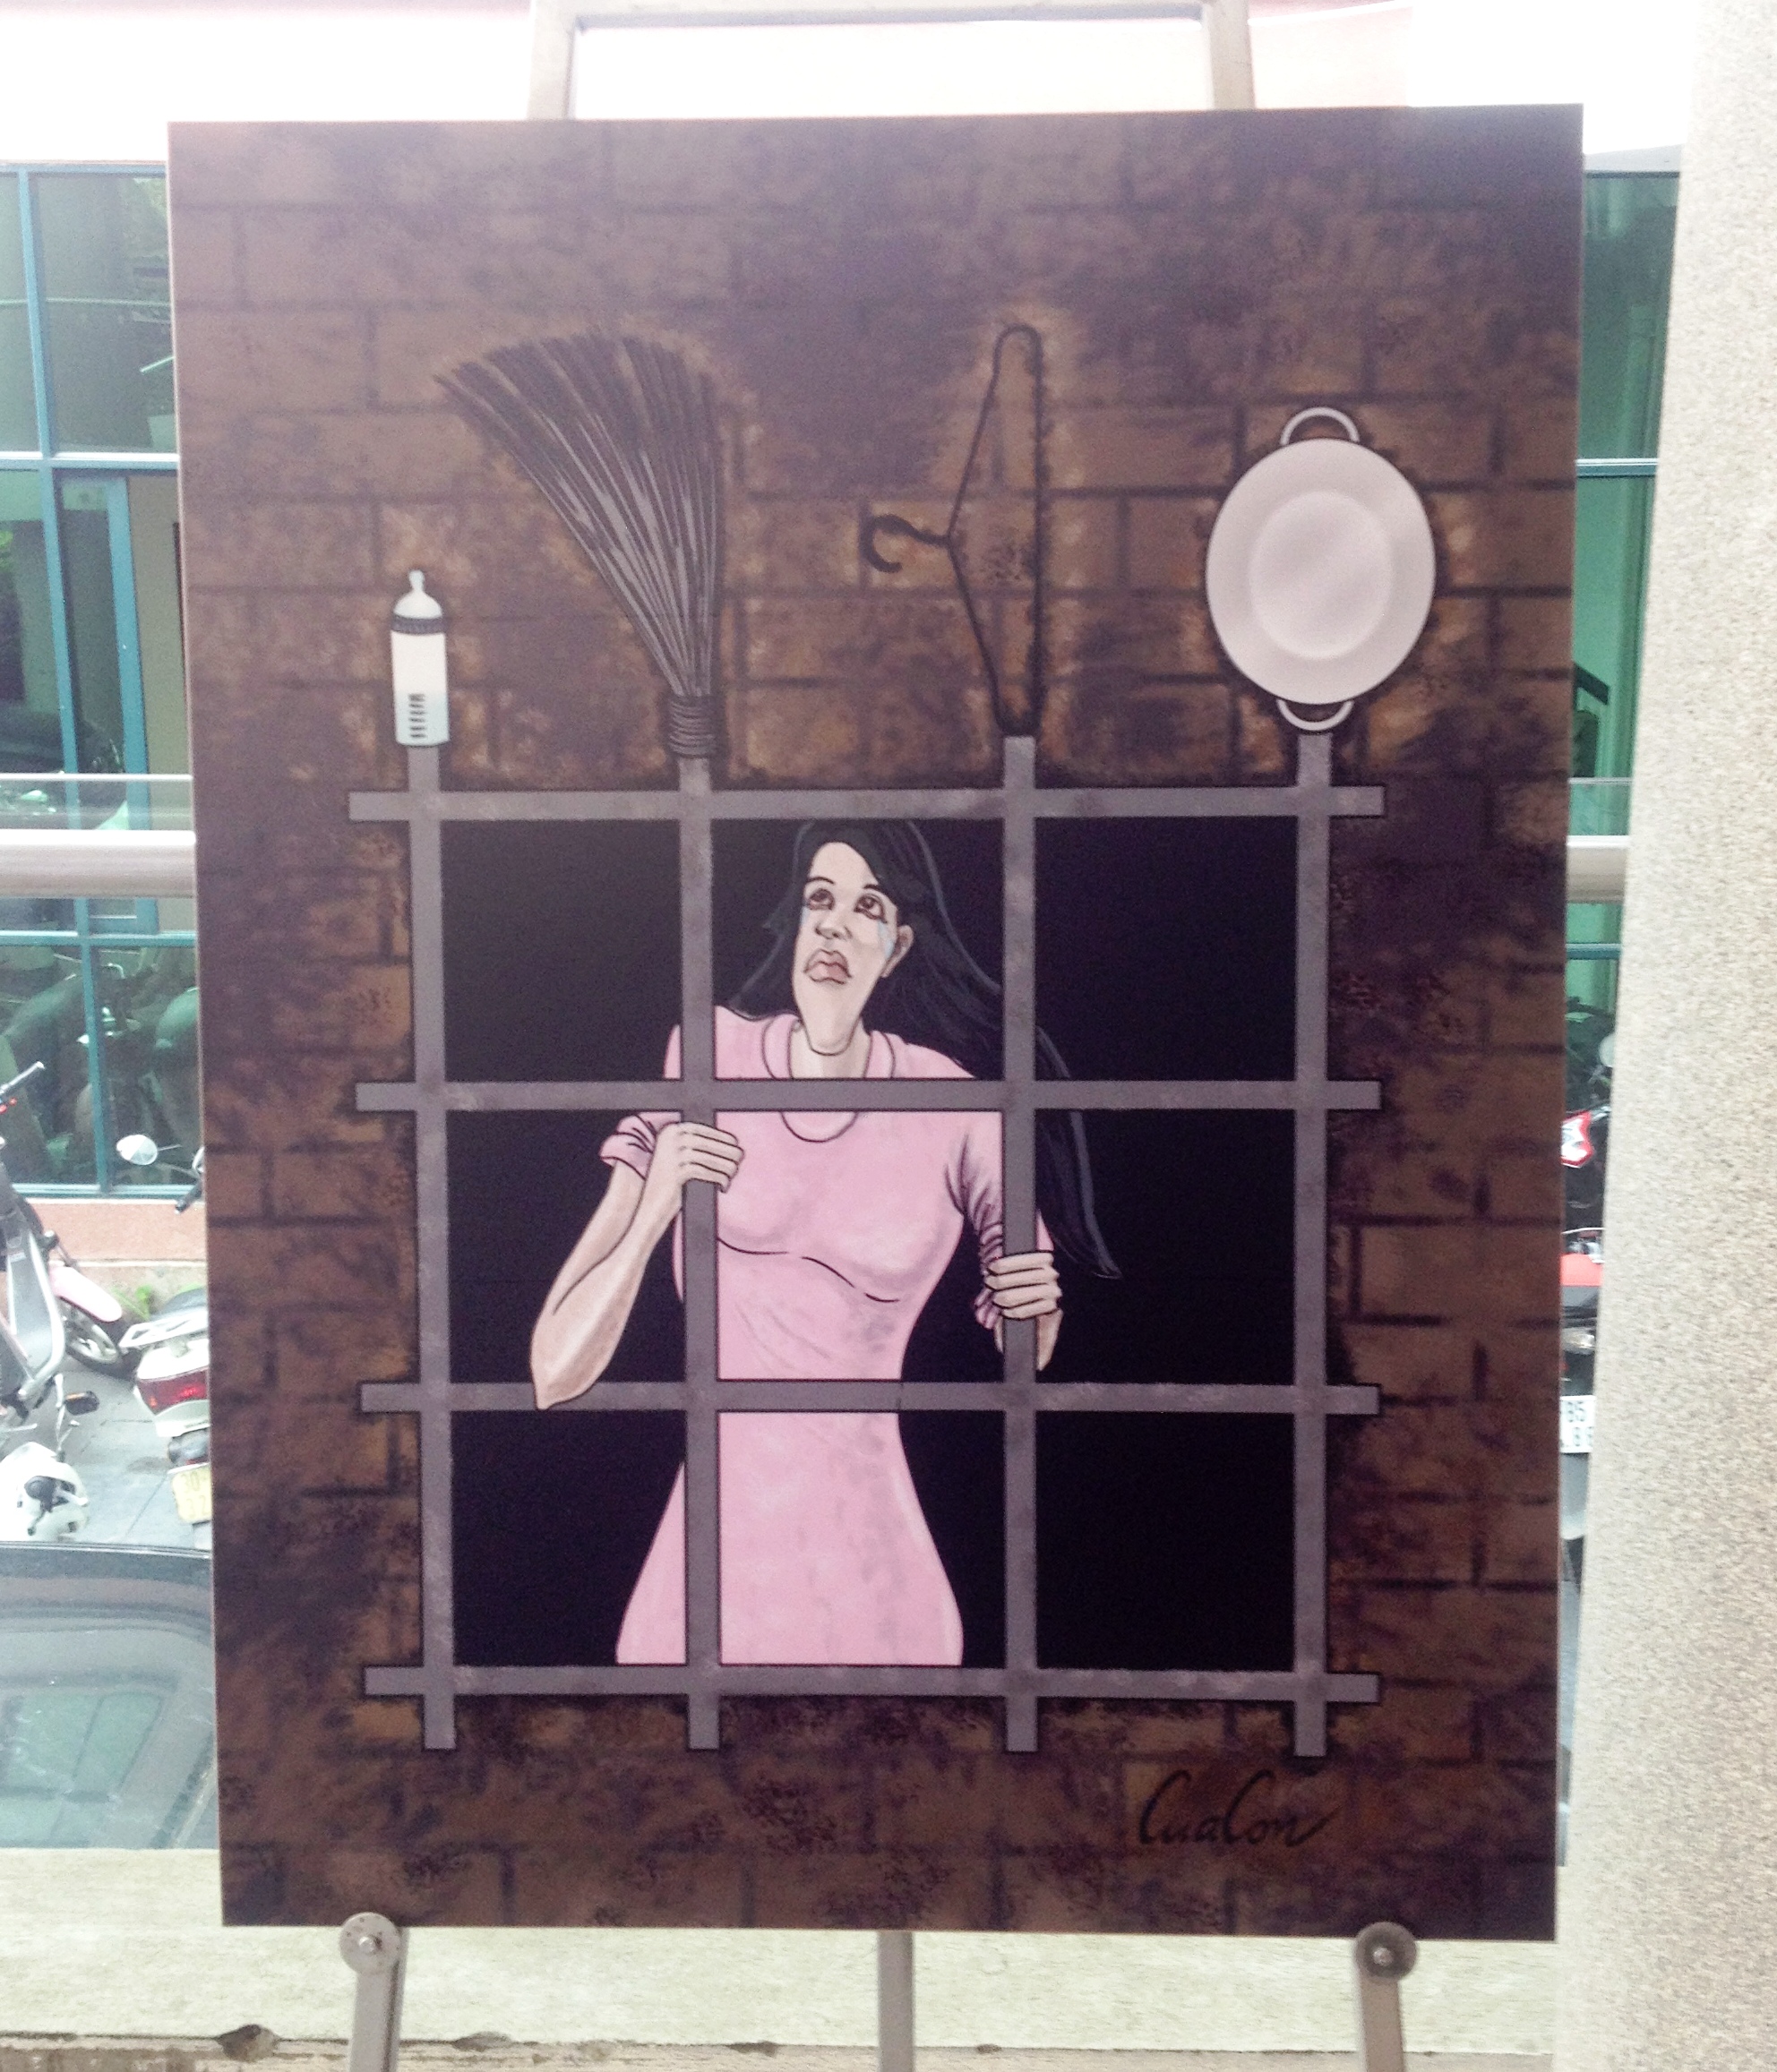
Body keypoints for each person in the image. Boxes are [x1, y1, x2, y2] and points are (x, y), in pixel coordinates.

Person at [530, 821, 1113, 1666]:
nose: (836, 924)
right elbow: (554, 1372)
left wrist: (1037, 1306)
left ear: (898, 945)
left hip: (880, 1584)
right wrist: (658, 1200)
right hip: (707, 1581)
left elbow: (1026, 1338)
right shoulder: (708, 1056)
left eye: (868, 906)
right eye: (819, 899)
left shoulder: (954, 1105)